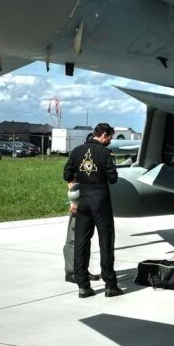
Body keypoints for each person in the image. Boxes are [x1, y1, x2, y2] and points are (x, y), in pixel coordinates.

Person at [64, 123, 121, 298]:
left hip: (84, 202)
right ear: (103, 135)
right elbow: (113, 179)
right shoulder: (106, 153)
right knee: (105, 242)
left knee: (81, 243)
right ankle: (110, 285)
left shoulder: (77, 151)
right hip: (101, 201)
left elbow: (67, 175)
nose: (110, 141)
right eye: (109, 137)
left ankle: (83, 286)